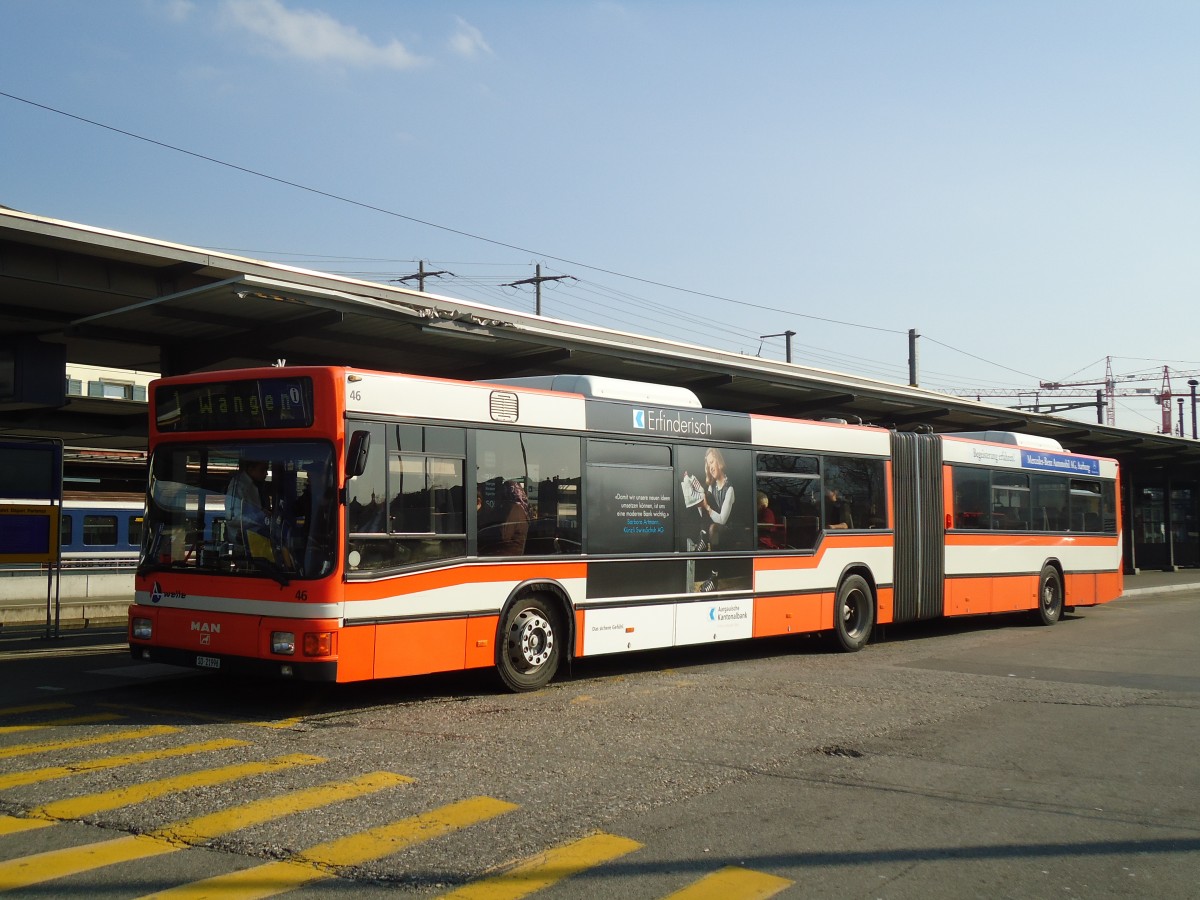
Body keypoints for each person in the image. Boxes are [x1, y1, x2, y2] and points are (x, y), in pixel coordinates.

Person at [226, 459, 270, 553]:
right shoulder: (238, 486)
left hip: (256, 541)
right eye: (262, 470)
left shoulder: (257, 485)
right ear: (250, 469)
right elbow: (233, 517)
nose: (266, 474)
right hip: (242, 544)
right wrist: (261, 516)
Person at [696, 447, 734, 549]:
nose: (710, 468)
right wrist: (699, 504)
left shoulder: (729, 489)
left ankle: (704, 540)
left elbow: (722, 520)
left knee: (713, 528)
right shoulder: (712, 486)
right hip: (711, 524)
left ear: (719, 461)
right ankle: (703, 538)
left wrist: (707, 507)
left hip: (726, 529)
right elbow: (703, 515)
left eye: (712, 462)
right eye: (708, 465)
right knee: (704, 495)